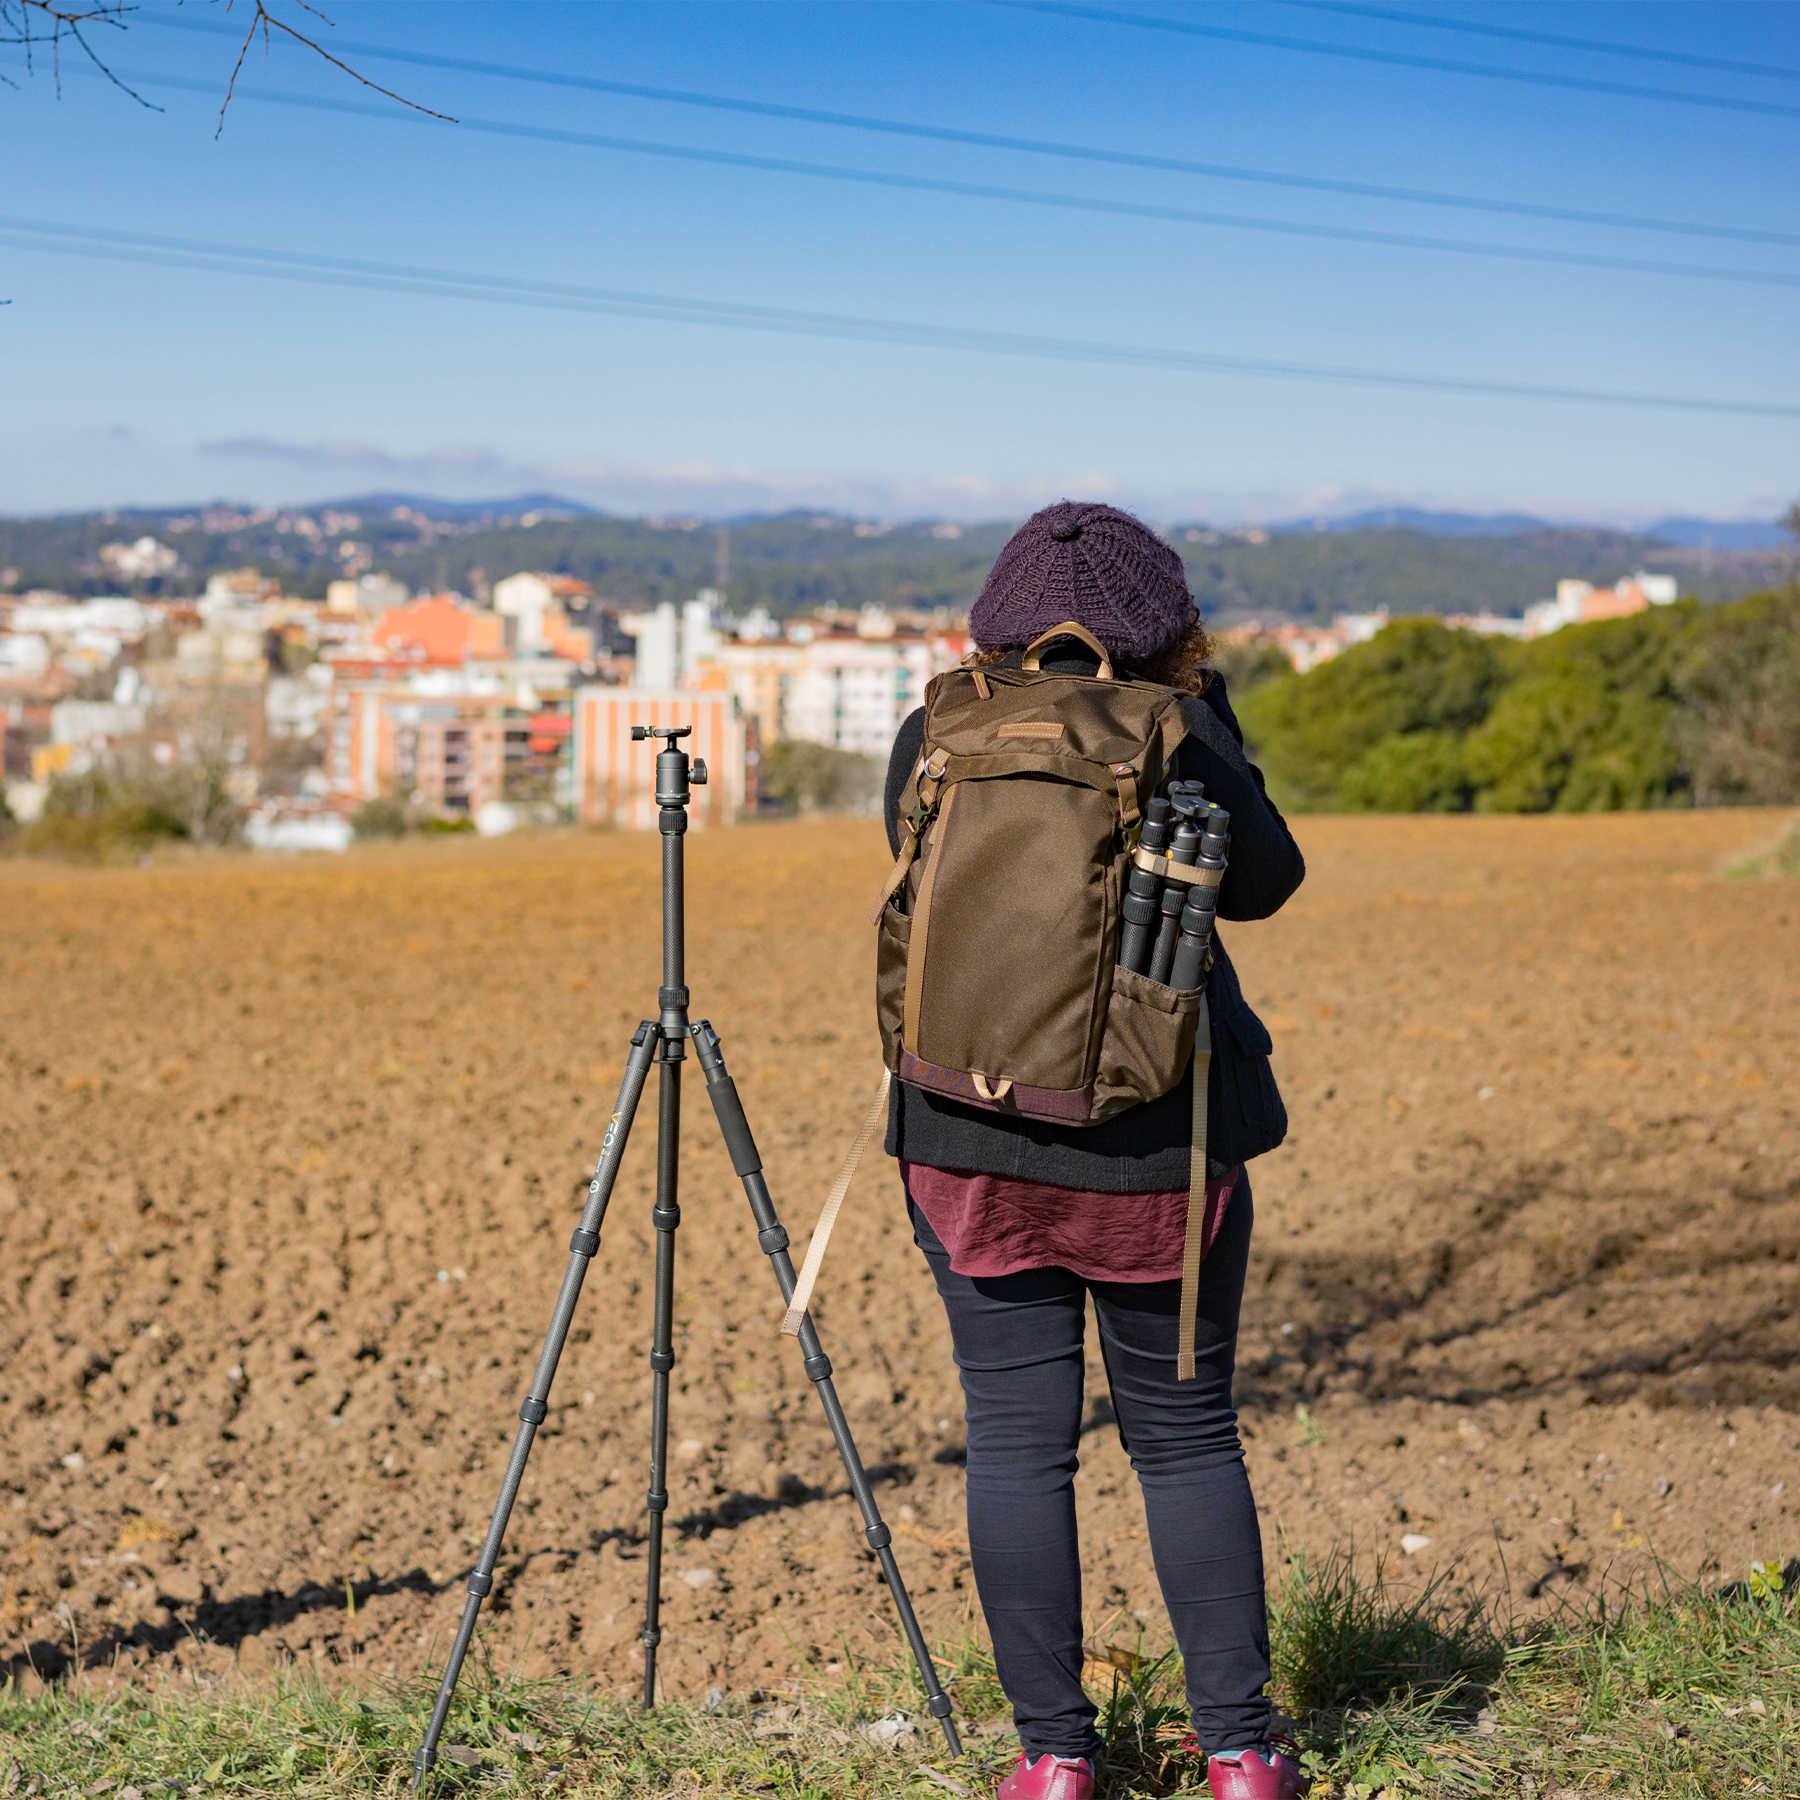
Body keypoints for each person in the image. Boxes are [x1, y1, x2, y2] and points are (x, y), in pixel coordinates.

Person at [882, 502, 1306, 1800]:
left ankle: (1055, 1765)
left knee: (1016, 1444)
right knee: (1182, 1440)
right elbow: (1269, 882)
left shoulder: (942, 728)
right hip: (1152, 1151)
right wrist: (1210, 723)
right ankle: (1239, 1756)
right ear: (1166, 625)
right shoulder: (1181, 732)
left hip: (964, 1138)